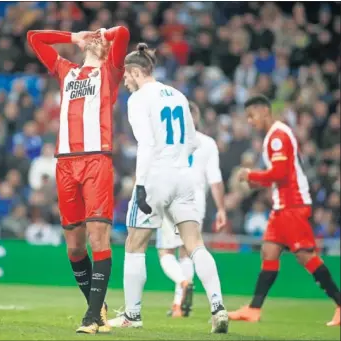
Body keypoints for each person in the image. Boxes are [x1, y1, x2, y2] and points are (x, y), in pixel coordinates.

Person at [108, 43, 229, 334]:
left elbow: (146, 144)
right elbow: (192, 142)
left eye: (126, 75)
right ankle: (218, 307)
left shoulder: (138, 99)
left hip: (156, 178)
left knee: (134, 245)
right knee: (195, 244)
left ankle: (132, 315)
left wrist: (139, 185)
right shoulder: (177, 95)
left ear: (137, 72)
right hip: (184, 177)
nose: (125, 80)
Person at [27, 26, 130, 334]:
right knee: (74, 247)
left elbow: (123, 33)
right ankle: (98, 308)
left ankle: (90, 317)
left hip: (97, 159)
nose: (96, 41)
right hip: (65, 163)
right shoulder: (66, 71)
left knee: (98, 238)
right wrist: (74, 37)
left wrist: (104, 33)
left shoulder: (110, 72)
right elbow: (35, 37)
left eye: (101, 41)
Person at [228, 95, 340, 327]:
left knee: (305, 256)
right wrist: (257, 180)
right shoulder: (274, 135)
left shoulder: (278, 137)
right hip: (282, 206)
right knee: (269, 252)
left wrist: (251, 175)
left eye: (252, 115)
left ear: (265, 112)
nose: (250, 121)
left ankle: (340, 304)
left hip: (292, 205)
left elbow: (279, 174)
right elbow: (281, 175)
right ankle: (254, 309)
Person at [156, 101, 227, 318]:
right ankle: (181, 304)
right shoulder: (208, 143)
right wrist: (221, 209)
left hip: (171, 197)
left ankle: (182, 283)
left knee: (166, 252)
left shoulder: (167, 141)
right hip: (197, 202)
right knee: (189, 251)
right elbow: (215, 180)